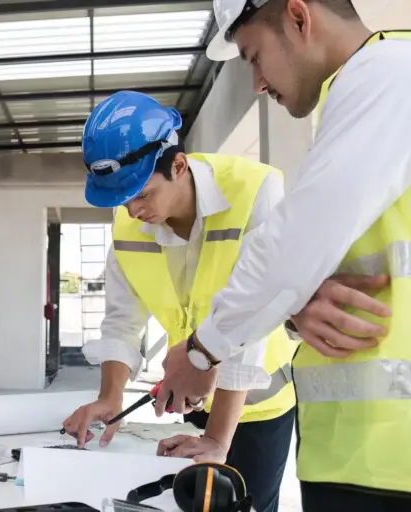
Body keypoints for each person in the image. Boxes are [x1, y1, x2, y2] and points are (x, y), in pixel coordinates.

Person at [154, 0, 411, 510]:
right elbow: (327, 259)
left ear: (298, 17)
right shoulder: (358, 93)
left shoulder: (388, 75)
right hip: (355, 456)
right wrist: (296, 308)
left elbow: (297, 237)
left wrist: (203, 351)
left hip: (392, 458)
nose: (256, 84)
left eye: (253, 57)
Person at [62, 90, 297, 512]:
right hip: (195, 396)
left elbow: (257, 314)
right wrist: (111, 397)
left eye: (142, 194)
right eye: (122, 200)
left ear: (179, 166)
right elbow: (121, 321)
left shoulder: (255, 190)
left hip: (259, 405)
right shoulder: (128, 226)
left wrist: (218, 439)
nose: (133, 211)